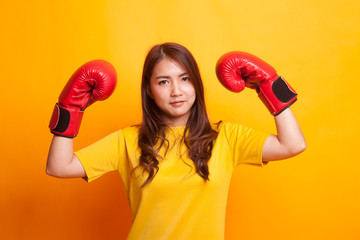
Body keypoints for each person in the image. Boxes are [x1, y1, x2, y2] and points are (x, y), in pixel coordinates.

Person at [46, 42, 306, 240]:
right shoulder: (127, 141)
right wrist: (71, 108)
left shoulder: (226, 137)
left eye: (185, 79)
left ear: (196, 84)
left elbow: (292, 145)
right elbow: (58, 166)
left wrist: (269, 85)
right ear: (149, 89)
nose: (176, 91)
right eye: (163, 81)